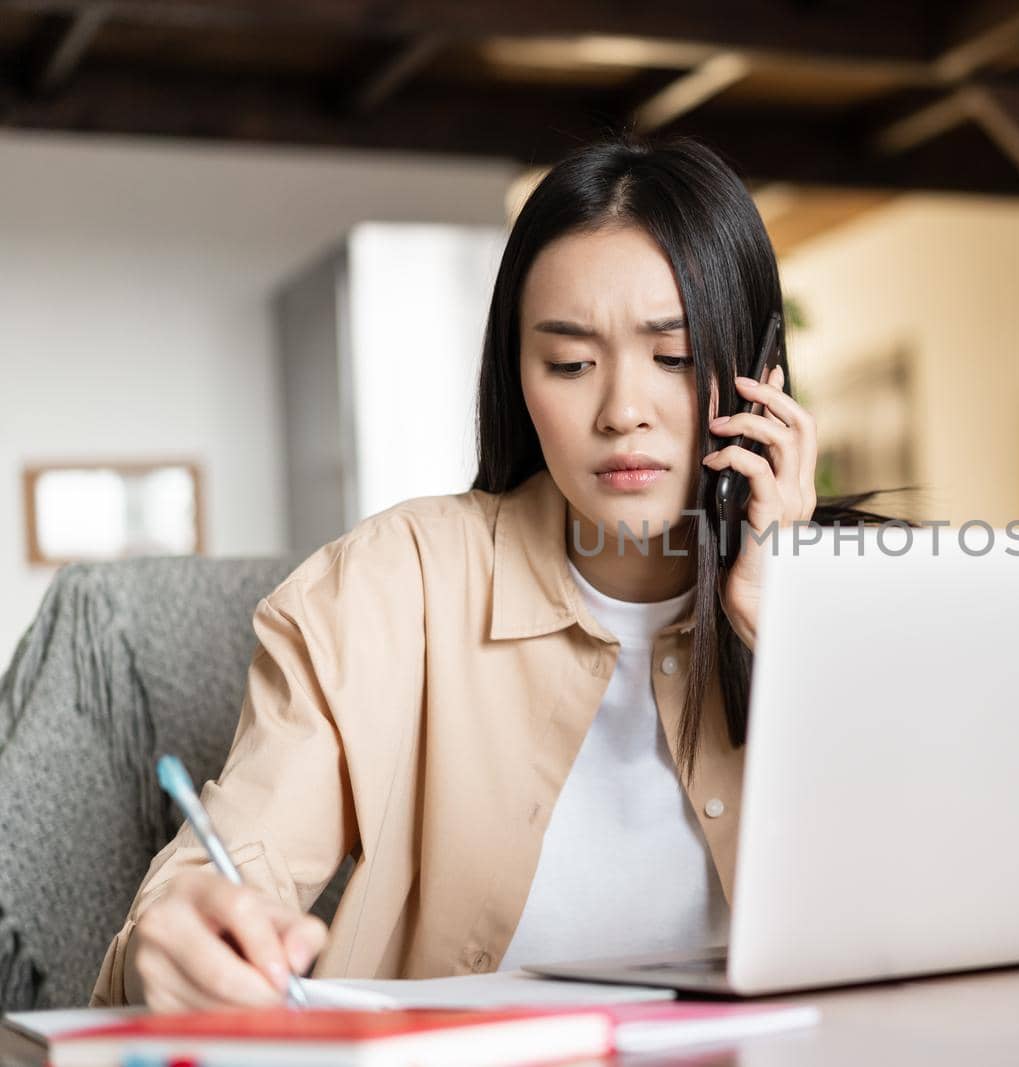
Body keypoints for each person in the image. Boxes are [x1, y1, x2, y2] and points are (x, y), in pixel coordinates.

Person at [91, 134, 909, 1011]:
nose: (622, 410)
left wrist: (790, 636)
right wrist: (175, 941)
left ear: (762, 376)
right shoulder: (387, 587)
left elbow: (939, 907)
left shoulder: (878, 597)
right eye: (569, 363)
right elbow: (244, 850)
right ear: (517, 378)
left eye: (673, 357)